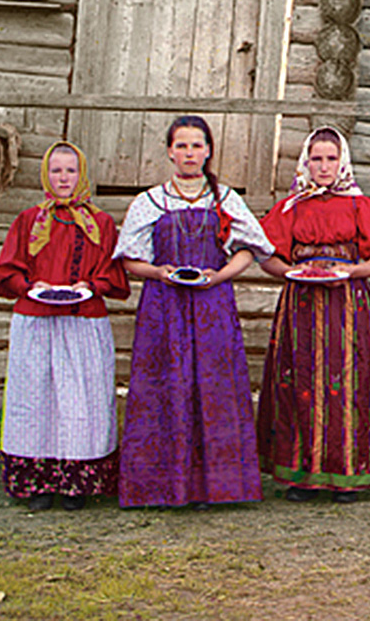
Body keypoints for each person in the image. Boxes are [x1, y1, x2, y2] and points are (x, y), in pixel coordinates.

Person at [113, 115, 275, 509]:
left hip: (212, 306)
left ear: (209, 151)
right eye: (181, 145)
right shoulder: (149, 202)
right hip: (163, 307)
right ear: (170, 151)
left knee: (213, 386)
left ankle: (213, 487)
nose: (189, 153)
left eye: (197, 145)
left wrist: (219, 276)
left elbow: (249, 250)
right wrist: (159, 272)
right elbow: (130, 260)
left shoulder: (226, 199)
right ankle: (162, 486)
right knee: (166, 385)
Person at [256, 126, 370, 503]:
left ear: (343, 161)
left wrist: (352, 271)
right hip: (301, 305)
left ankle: (347, 474)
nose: (324, 167)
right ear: (306, 161)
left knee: (347, 382)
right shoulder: (291, 207)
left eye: (331, 158)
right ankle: (301, 475)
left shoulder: (360, 205)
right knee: (300, 381)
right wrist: (290, 272)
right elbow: (266, 256)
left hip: (346, 306)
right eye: (317, 159)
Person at [0, 141, 130, 511]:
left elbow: (113, 274)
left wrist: (91, 285)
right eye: (56, 171)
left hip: (82, 323)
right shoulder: (28, 220)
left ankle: (76, 482)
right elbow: (9, 269)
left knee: (81, 400)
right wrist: (29, 286)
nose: (63, 178)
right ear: (46, 175)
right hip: (35, 323)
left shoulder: (100, 223)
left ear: (81, 174)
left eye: (70, 170)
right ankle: (37, 483)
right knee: (34, 399)